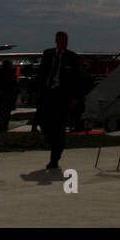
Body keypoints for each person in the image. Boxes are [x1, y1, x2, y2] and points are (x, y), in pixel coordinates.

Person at [34, 31, 81, 169]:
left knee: (59, 127)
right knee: (44, 123)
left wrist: (75, 97)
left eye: (64, 41)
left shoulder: (72, 57)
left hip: (62, 96)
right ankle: (54, 143)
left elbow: (77, 79)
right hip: (47, 94)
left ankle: (55, 158)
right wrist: (38, 90)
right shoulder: (48, 54)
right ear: (56, 41)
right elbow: (42, 73)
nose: (62, 44)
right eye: (60, 41)